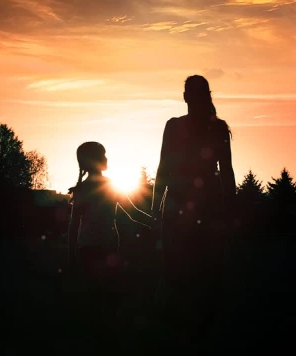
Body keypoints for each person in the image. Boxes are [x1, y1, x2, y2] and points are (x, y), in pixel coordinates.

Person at [152, 75, 236, 347]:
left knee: (179, 267)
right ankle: (199, 326)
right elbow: (227, 173)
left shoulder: (178, 127)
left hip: (185, 203)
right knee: (204, 268)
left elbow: (164, 168)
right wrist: (231, 210)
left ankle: (183, 326)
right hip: (203, 203)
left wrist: (155, 207)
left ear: (186, 96)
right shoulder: (217, 128)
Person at [66, 142, 153, 350]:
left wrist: (72, 255)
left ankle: (101, 340)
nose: (107, 158)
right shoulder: (104, 186)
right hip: (103, 250)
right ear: (93, 160)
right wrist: (156, 223)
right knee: (108, 297)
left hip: (91, 250)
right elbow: (132, 213)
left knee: (98, 297)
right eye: (103, 155)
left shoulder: (82, 189)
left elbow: (73, 228)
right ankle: (106, 341)